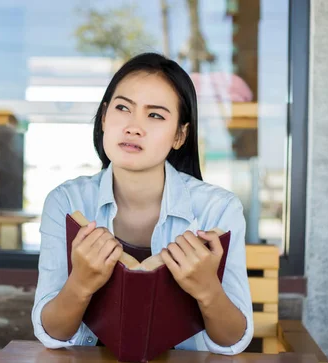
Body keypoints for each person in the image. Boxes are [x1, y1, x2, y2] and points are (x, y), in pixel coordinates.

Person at [31, 53, 253, 355]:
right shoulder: (66, 202)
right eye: (123, 108)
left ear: (179, 135)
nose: (134, 126)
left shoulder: (219, 210)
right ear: (105, 117)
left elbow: (232, 341)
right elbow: (53, 334)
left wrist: (207, 290)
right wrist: (80, 283)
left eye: (156, 115)